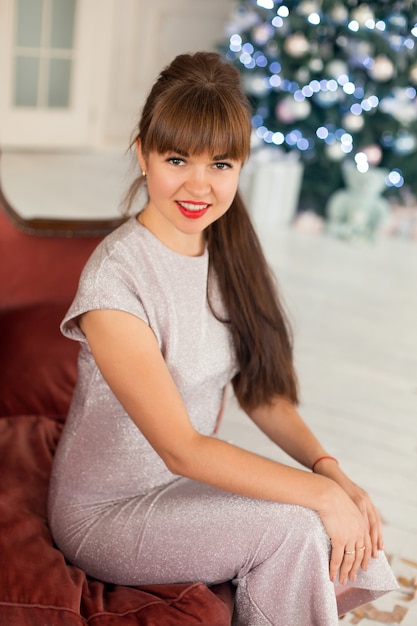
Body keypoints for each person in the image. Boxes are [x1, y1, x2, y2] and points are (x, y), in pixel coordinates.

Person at [48, 51, 397, 625]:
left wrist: (330, 472)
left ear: (241, 167)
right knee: (298, 524)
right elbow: (179, 446)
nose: (198, 185)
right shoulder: (114, 282)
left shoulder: (227, 250)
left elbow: (260, 390)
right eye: (177, 158)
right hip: (107, 512)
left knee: (323, 513)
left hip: (184, 486)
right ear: (142, 151)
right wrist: (319, 496)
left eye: (221, 165)